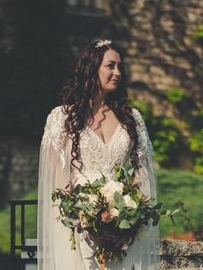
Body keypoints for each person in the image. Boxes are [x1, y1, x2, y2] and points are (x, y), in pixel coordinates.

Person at [37, 39, 159, 270]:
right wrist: (85, 218)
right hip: (79, 228)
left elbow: (142, 176)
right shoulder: (63, 118)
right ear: (92, 69)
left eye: (120, 67)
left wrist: (130, 217)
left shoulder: (132, 119)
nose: (117, 73)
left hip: (122, 231)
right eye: (110, 66)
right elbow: (60, 183)